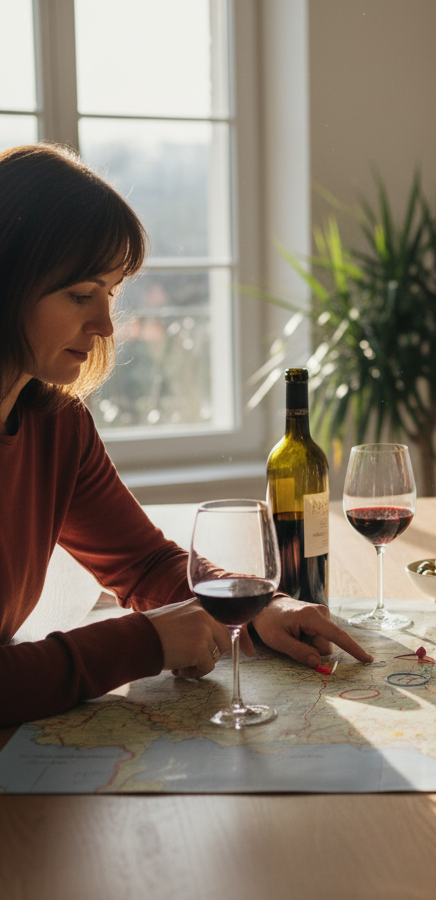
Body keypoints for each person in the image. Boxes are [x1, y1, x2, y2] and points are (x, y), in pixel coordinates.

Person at [0, 143, 371, 728]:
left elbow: (144, 564)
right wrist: (142, 643)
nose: (102, 326)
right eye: (80, 295)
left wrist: (264, 609)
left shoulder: (56, 425)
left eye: (111, 294)